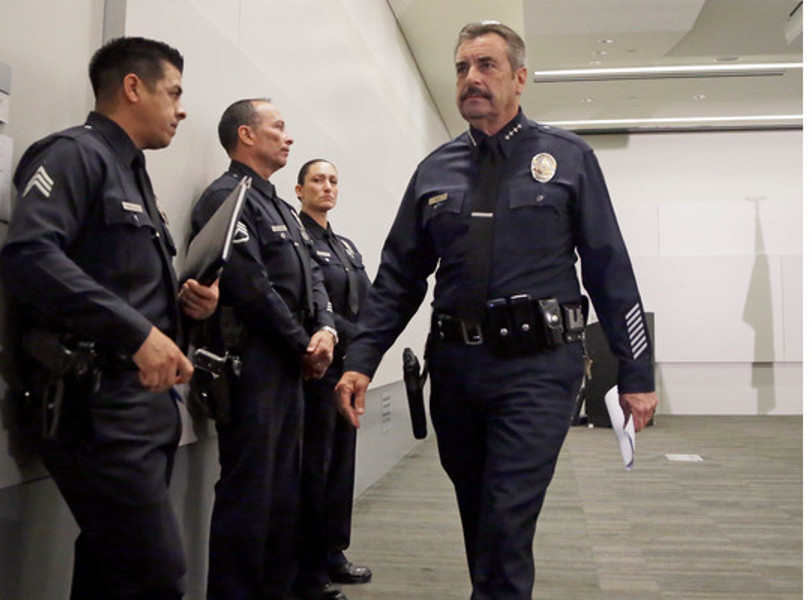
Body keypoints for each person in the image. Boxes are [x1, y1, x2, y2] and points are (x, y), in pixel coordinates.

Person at [335, 21, 658, 600]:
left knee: (507, 516)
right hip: (457, 370)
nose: (471, 79)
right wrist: (361, 360)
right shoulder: (434, 170)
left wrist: (636, 373)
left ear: (520, 78)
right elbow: (397, 278)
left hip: (538, 370)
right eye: (462, 68)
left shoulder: (567, 158)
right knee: (480, 511)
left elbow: (611, 271)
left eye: (486, 66)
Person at [0, 37, 219, 600]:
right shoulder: (75, 155)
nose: (181, 108)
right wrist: (137, 333)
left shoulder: (134, 174)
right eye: (174, 93)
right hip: (99, 406)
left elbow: (123, 282)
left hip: (141, 409)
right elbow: (30, 256)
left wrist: (184, 310)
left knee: (109, 567)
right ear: (132, 87)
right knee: (155, 576)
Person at [190, 99, 337, 600]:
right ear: (246, 136)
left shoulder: (278, 205)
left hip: (291, 366)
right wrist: (304, 346)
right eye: (278, 127)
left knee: (284, 497)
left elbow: (313, 276)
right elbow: (249, 285)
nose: (288, 137)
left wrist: (325, 331)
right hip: (252, 364)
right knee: (248, 495)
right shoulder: (226, 198)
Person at [294, 160, 373, 600]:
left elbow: (371, 297)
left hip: (351, 370)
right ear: (299, 189)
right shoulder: (299, 239)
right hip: (319, 373)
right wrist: (358, 335)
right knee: (316, 469)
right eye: (318, 180)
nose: (327, 187)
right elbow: (311, 305)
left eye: (333, 181)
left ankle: (332, 551)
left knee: (342, 466)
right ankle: (307, 564)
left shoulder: (344, 245)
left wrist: (370, 340)